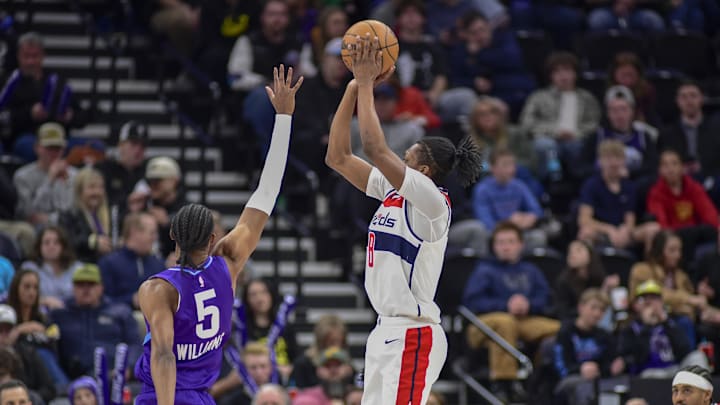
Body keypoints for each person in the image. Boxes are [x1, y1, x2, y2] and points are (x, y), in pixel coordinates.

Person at [325, 35, 483, 404]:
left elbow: (374, 147)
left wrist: (366, 82)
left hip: (414, 332)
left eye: (407, 158)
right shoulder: (392, 192)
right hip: (385, 329)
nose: (399, 158)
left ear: (424, 170)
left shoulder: (433, 203)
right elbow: (338, 157)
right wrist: (352, 88)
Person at [132, 65, 302, 405]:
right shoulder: (229, 262)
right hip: (201, 397)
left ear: (172, 237)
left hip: (161, 397)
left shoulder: (157, 288)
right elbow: (266, 194)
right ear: (213, 239)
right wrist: (283, 118)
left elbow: (164, 355)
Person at [462, 221, 560, 401]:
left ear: (521, 245)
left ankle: (540, 377)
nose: (505, 247)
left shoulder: (531, 270)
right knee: (505, 322)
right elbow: (472, 302)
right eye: (500, 242)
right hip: (483, 325)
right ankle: (505, 384)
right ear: (493, 246)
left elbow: (546, 298)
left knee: (558, 328)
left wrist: (528, 304)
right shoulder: (484, 270)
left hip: (523, 321)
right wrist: (505, 305)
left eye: (510, 242)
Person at [520, 51, 601, 181]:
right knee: (546, 147)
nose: (563, 76)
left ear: (575, 74)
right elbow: (527, 124)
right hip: (547, 139)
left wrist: (576, 133)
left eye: (567, 70)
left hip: (577, 139)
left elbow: (594, 124)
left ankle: (580, 182)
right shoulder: (538, 97)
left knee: (576, 147)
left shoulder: (587, 98)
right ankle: (550, 181)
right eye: (557, 72)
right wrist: (555, 132)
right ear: (551, 76)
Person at [50, 264, 141, 379]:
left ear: (101, 287)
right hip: (74, 380)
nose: (86, 289)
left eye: (91, 284)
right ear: (73, 288)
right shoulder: (60, 314)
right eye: (80, 285)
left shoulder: (120, 312)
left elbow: (135, 344)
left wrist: (127, 368)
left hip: (114, 377)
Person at [577, 139, 659, 249]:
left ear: (624, 161)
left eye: (618, 158)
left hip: (623, 232)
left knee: (653, 229)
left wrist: (626, 229)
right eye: (609, 158)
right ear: (600, 161)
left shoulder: (629, 186)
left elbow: (630, 217)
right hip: (601, 231)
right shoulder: (591, 185)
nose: (613, 163)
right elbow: (584, 219)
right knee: (585, 232)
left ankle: (649, 265)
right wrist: (609, 229)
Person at [553, 289, 624, 405]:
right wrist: (580, 369)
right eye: (593, 308)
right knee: (581, 387)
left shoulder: (604, 335)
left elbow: (609, 362)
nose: (597, 314)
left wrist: (615, 366)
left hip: (599, 380)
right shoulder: (566, 332)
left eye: (602, 310)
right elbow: (560, 367)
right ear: (581, 307)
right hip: (571, 379)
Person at [646, 149, 719, 261]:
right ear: (660, 170)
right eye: (665, 165)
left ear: (682, 167)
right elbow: (662, 222)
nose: (670, 169)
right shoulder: (656, 193)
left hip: (696, 233)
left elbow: (709, 214)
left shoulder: (694, 188)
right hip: (675, 235)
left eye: (674, 164)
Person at [6, 270, 68, 391]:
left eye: (35, 287)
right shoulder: (6, 315)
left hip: (43, 374)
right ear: (15, 288)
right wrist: (20, 329)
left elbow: (55, 348)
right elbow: (5, 342)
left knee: (44, 354)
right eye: (27, 287)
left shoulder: (43, 319)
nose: (31, 292)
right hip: (18, 369)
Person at [12, 122, 77, 226]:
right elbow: (28, 214)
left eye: (58, 148)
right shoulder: (22, 176)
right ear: (37, 147)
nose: (54, 153)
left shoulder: (74, 174)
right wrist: (49, 180)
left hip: (66, 228)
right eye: (49, 148)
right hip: (36, 231)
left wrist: (52, 219)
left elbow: (73, 212)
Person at [98, 212, 164, 310]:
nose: (155, 238)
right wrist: (132, 300)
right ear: (134, 232)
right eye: (151, 233)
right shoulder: (109, 263)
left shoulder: (158, 265)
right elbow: (101, 301)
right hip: (120, 320)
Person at [58, 167, 115, 262]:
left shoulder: (111, 213)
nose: (96, 192)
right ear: (80, 191)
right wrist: (93, 242)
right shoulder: (69, 215)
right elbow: (68, 241)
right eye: (92, 187)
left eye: (100, 187)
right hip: (82, 266)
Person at [95, 120, 150, 216]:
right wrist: (126, 202)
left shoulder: (148, 172)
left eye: (143, 146)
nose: (138, 150)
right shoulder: (104, 170)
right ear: (120, 145)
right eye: (133, 143)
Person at [20, 226, 82, 309]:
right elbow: (19, 297)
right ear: (39, 246)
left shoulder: (78, 268)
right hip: (40, 315)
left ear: (63, 246)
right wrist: (44, 301)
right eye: (46, 242)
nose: (51, 246)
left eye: (56, 242)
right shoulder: (29, 268)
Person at [554, 240, 618, 321]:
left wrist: (607, 289)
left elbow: (602, 306)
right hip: (575, 321)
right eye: (570, 251)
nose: (572, 254)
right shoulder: (563, 281)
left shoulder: (599, 276)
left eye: (578, 250)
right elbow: (563, 312)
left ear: (590, 254)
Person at [290, 314, 349, 389]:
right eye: (331, 342)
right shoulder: (303, 365)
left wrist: (345, 378)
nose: (335, 347)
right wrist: (323, 380)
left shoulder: (346, 366)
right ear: (321, 342)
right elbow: (298, 395)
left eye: (339, 342)